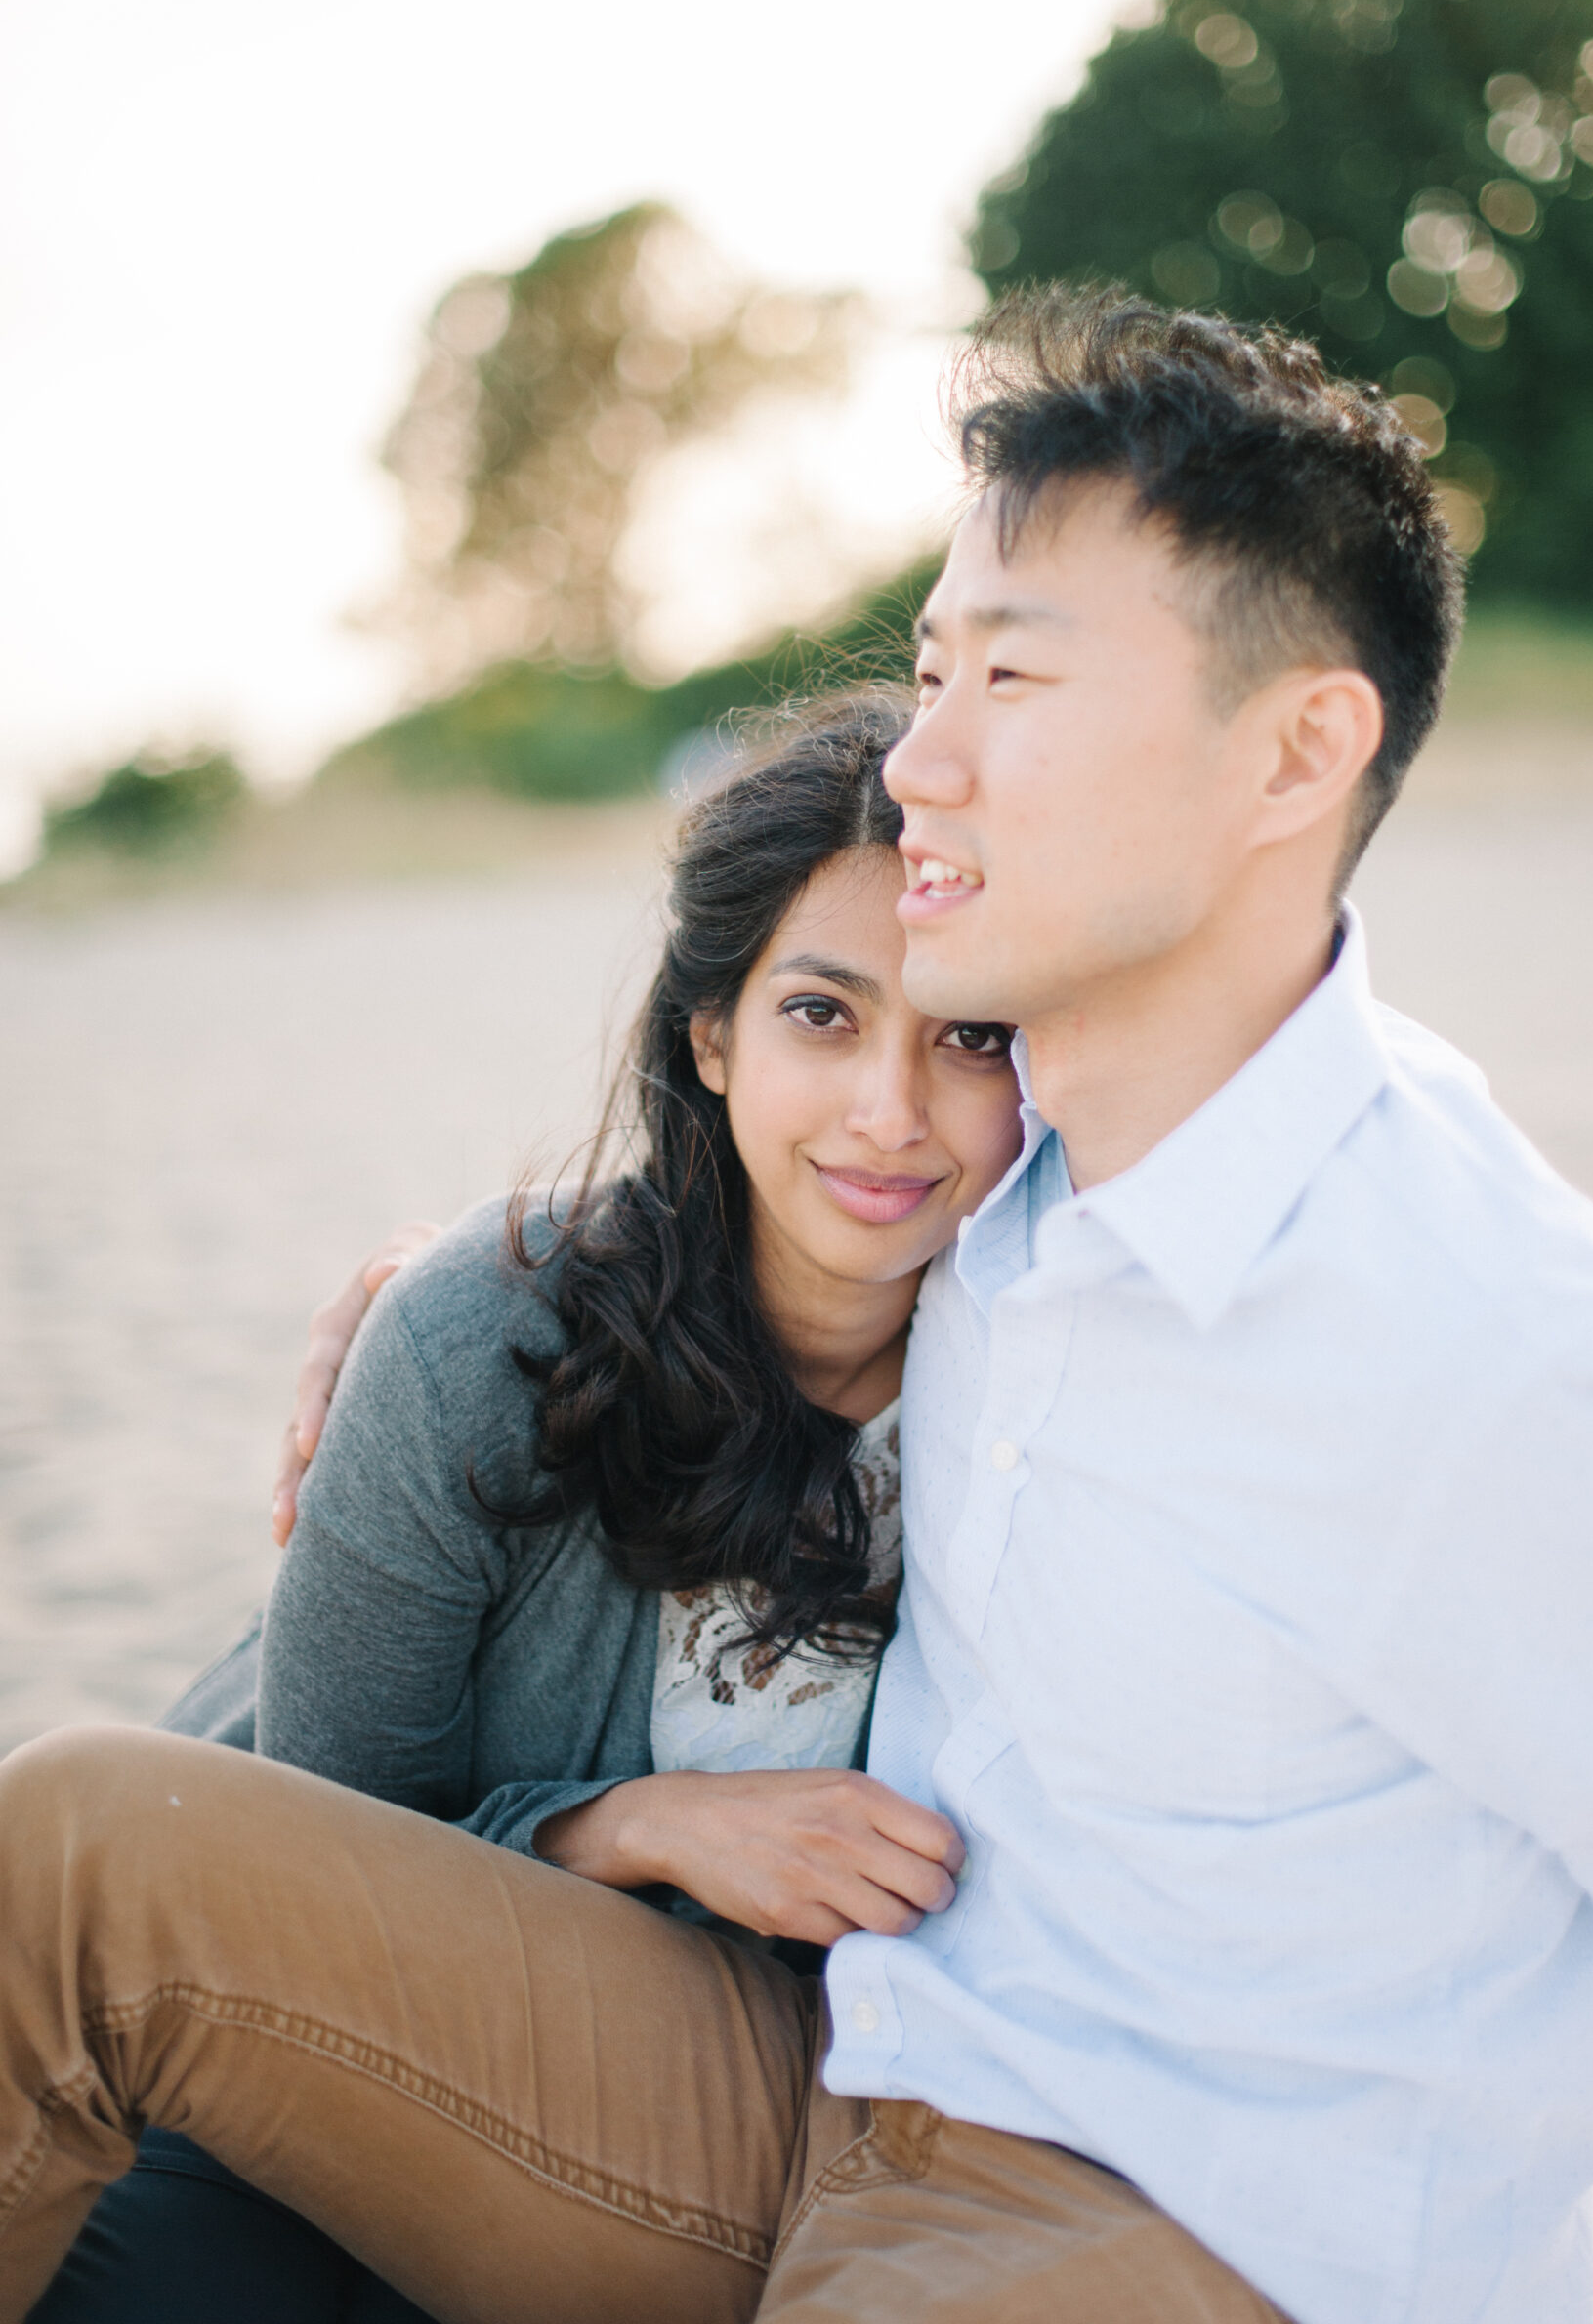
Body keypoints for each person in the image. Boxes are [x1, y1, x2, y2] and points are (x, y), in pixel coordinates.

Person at [4, 287, 1593, 2324]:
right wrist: (443, 1302)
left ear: (1300, 748)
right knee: (70, 1837)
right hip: (806, 2081)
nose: (927, 758)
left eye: (1015, 681)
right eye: (935, 665)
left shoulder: (1493, 1341)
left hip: (1164, 2214)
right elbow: (758, 1196)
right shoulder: (1019, 1178)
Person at [27, 689, 1024, 2321]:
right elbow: (329, 1842)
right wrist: (623, 1826)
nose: (890, 1113)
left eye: (971, 1035)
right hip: (312, 2050)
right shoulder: (484, 1339)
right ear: (713, 1038)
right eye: (823, 1018)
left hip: (696, 2147)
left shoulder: (1063, 1385)